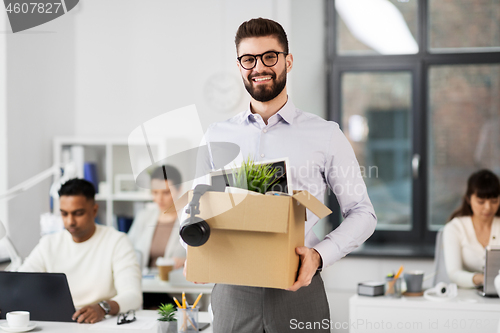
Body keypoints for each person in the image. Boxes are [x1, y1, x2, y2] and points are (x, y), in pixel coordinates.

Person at [185, 18, 377, 332]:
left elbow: (363, 213)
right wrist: (196, 249)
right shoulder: (215, 136)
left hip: (298, 286)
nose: (258, 67)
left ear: (287, 60)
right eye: (249, 59)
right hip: (232, 290)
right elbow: (192, 208)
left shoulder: (326, 135)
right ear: (239, 65)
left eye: (269, 57)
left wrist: (318, 255)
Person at [19, 178, 142, 324]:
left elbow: (133, 295)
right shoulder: (49, 243)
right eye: (64, 214)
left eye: (78, 213)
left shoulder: (117, 241)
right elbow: (20, 281)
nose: (70, 221)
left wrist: (103, 308)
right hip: (60, 323)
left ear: (94, 210)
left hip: (100, 322)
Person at [127, 165, 186, 309]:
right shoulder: (144, 217)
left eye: (166, 192)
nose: (159, 199)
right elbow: (128, 250)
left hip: (175, 293)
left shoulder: (189, 219)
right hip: (145, 289)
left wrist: (186, 261)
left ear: (179, 189)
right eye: (155, 192)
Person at [443, 169, 500, 288]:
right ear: (468, 199)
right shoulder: (455, 228)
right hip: (467, 297)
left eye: (494, 201)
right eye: (481, 202)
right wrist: (481, 279)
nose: (488, 207)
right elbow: (454, 273)